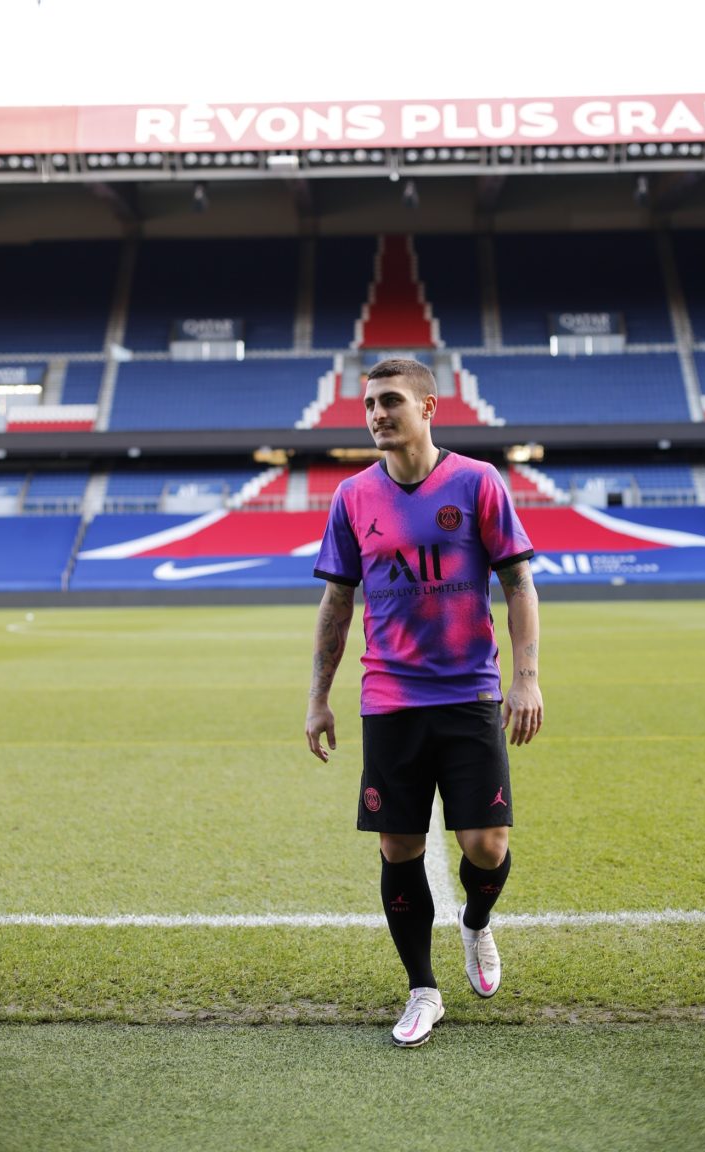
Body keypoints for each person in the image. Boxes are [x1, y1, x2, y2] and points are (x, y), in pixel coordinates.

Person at [305, 357, 543, 1047]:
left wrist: (525, 679)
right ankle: (422, 989)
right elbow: (337, 602)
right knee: (399, 845)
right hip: (390, 698)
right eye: (369, 404)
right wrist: (319, 697)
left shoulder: (477, 482)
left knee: (487, 846)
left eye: (391, 401)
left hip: (469, 691)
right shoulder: (352, 495)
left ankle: (475, 923)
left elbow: (519, 584)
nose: (377, 414)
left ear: (429, 407)